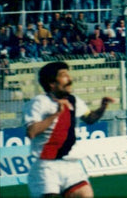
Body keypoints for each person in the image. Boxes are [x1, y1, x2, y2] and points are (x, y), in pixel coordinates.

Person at [24, 61, 114, 198]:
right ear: (52, 83)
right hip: (47, 167)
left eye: (68, 75)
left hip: (72, 165)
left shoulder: (74, 100)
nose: (69, 79)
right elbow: (31, 132)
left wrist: (103, 106)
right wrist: (55, 114)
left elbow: (90, 118)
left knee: (85, 194)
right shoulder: (39, 102)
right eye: (64, 75)